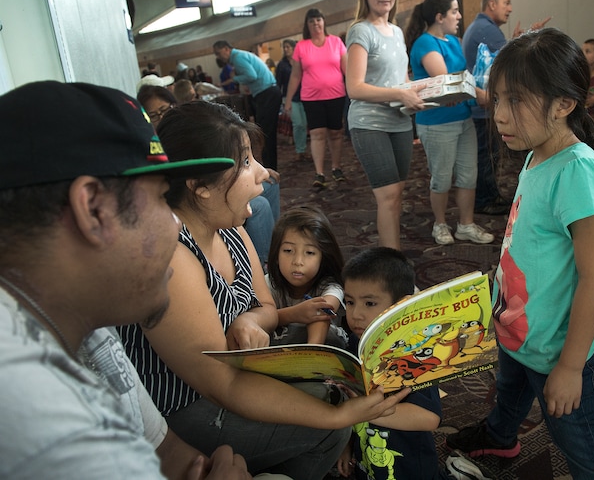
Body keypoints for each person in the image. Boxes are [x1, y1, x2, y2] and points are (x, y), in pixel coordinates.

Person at [117, 100, 410, 480]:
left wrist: (248, 319)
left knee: (334, 389)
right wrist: (336, 416)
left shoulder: (230, 227)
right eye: (244, 162)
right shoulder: (173, 258)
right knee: (332, 424)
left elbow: (268, 307)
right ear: (201, 187)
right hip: (183, 410)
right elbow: (223, 385)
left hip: (234, 378)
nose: (261, 173)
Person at [0, 80, 263, 479]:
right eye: (161, 198)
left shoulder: (89, 326)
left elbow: (165, 449)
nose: (176, 225)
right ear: (93, 210)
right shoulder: (42, 419)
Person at [446, 28, 594, 479]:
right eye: (498, 99)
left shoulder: (579, 172)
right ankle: (501, 439)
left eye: (517, 101)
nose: (500, 115)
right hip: (519, 328)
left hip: (556, 350)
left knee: (584, 447)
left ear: (565, 104)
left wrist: (569, 367)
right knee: (509, 393)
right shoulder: (536, 154)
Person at [337, 247, 445, 480]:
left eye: (369, 303)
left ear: (401, 306)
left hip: (410, 470)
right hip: (367, 460)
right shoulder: (356, 342)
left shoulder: (413, 354)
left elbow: (429, 417)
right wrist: (345, 447)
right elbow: (349, 398)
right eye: (349, 302)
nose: (355, 314)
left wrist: (367, 413)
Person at [345, 0, 426, 250]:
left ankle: (393, 261)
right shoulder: (361, 31)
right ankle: (393, 269)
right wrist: (401, 94)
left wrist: (418, 94)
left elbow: (401, 80)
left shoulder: (397, 32)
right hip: (369, 123)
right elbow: (354, 87)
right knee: (389, 197)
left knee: (397, 195)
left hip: (400, 122)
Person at [405, 0, 495, 246]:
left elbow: (464, 76)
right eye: (454, 11)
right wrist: (480, 93)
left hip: (462, 117)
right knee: (442, 178)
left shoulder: (453, 40)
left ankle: (465, 225)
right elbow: (448, 83)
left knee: (469, 175)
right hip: (437, 123)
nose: (458, 16)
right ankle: (440, 224)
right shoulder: (425, 43)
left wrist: (477, 88)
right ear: (439, 16)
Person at [461, 0, 551, 215]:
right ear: (492, 4)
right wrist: (531, 37)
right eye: (506, 3)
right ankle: (485, 199)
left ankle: (487, 195)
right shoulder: (487, 29)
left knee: (487, 154)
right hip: (483, 106)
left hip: (483, 104)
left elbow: (499, 58)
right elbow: (510, 63)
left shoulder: (481, 27)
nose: (510, 9)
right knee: (487, 155)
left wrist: (517, 38)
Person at [267, 205, 348, 348]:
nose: (298, 261)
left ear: (323, 257)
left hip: (319, 348)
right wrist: (295, 314)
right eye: (288, 250)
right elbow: (257, 319)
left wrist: (311, 353)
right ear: (276, 254)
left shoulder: (330, 286)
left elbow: (323, 312)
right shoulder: (268, 283)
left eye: (309, 252)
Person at [284, 8, 348, 188]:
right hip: (311, 98)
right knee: (317, 134)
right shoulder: (301, 46)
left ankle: (336, 167)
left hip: (336, 95)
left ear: (324, 22)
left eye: (318, 20)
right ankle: (319, 173)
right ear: (307, 25)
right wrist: (288, 100)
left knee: (336, 133)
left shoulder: (335, 42)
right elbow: (295, 75)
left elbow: (347, 70)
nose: (316, 24)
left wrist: (357, 90)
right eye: (311, 21)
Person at [213, 40, 282, 169]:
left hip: (267, 93)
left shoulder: (238, 58)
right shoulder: (240, 56)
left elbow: (251, 76)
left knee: (266, 134)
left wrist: (234, 78)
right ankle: (269, 165)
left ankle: (270, 167)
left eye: (218, 53)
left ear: (226, 49)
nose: (218, 57)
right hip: (267, 92)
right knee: (266, 133)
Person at [276, 39, 309, 162]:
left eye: (288, 47)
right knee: (297, 123)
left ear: (294, 48)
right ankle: (299, 150)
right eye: (284, 47)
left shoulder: (301, 61)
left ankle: (303, 149)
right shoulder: (282, 65)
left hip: (304, 96)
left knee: (304, 124)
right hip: (289, 97)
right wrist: (281, 101)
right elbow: (278, 83)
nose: (286, 49)